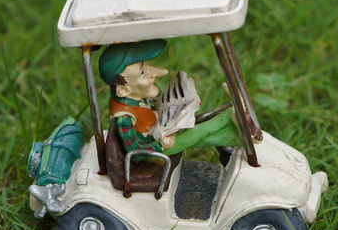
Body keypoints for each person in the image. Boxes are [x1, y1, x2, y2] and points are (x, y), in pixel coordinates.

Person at [99, 40, 240, 156]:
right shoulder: (124, 118)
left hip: (161, 128)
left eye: (148, 64)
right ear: (124, 90)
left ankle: (235, 133)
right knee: (199, 131)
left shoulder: (135, 98)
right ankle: (231, 119)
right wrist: (159, 145)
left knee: (198, 123)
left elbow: (144, 112)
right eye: (142, 73)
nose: (154, 73)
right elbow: (135, 152)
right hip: (156, 149)